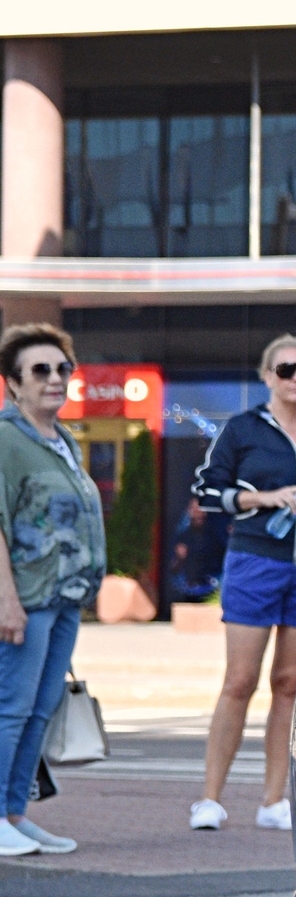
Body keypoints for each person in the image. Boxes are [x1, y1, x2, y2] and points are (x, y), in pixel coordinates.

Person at [189, 334, 296, 832]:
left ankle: (273, 800)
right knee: (239, 681)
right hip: (254, 560)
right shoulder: (243, 429)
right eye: (287, 370)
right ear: (267, 377)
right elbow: (208, 491)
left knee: (289, 685)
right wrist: (264, 498)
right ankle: (210, 799)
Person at [0, 322, 105, 857]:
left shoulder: (62, 440)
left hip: (64, 597)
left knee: (41, 708)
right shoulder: (6, 438)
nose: (56, 378)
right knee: (11, 707)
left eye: (63, 369)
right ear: (13, 384)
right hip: (26, 597)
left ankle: (15, 813)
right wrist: (6, 599)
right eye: (40, 370)